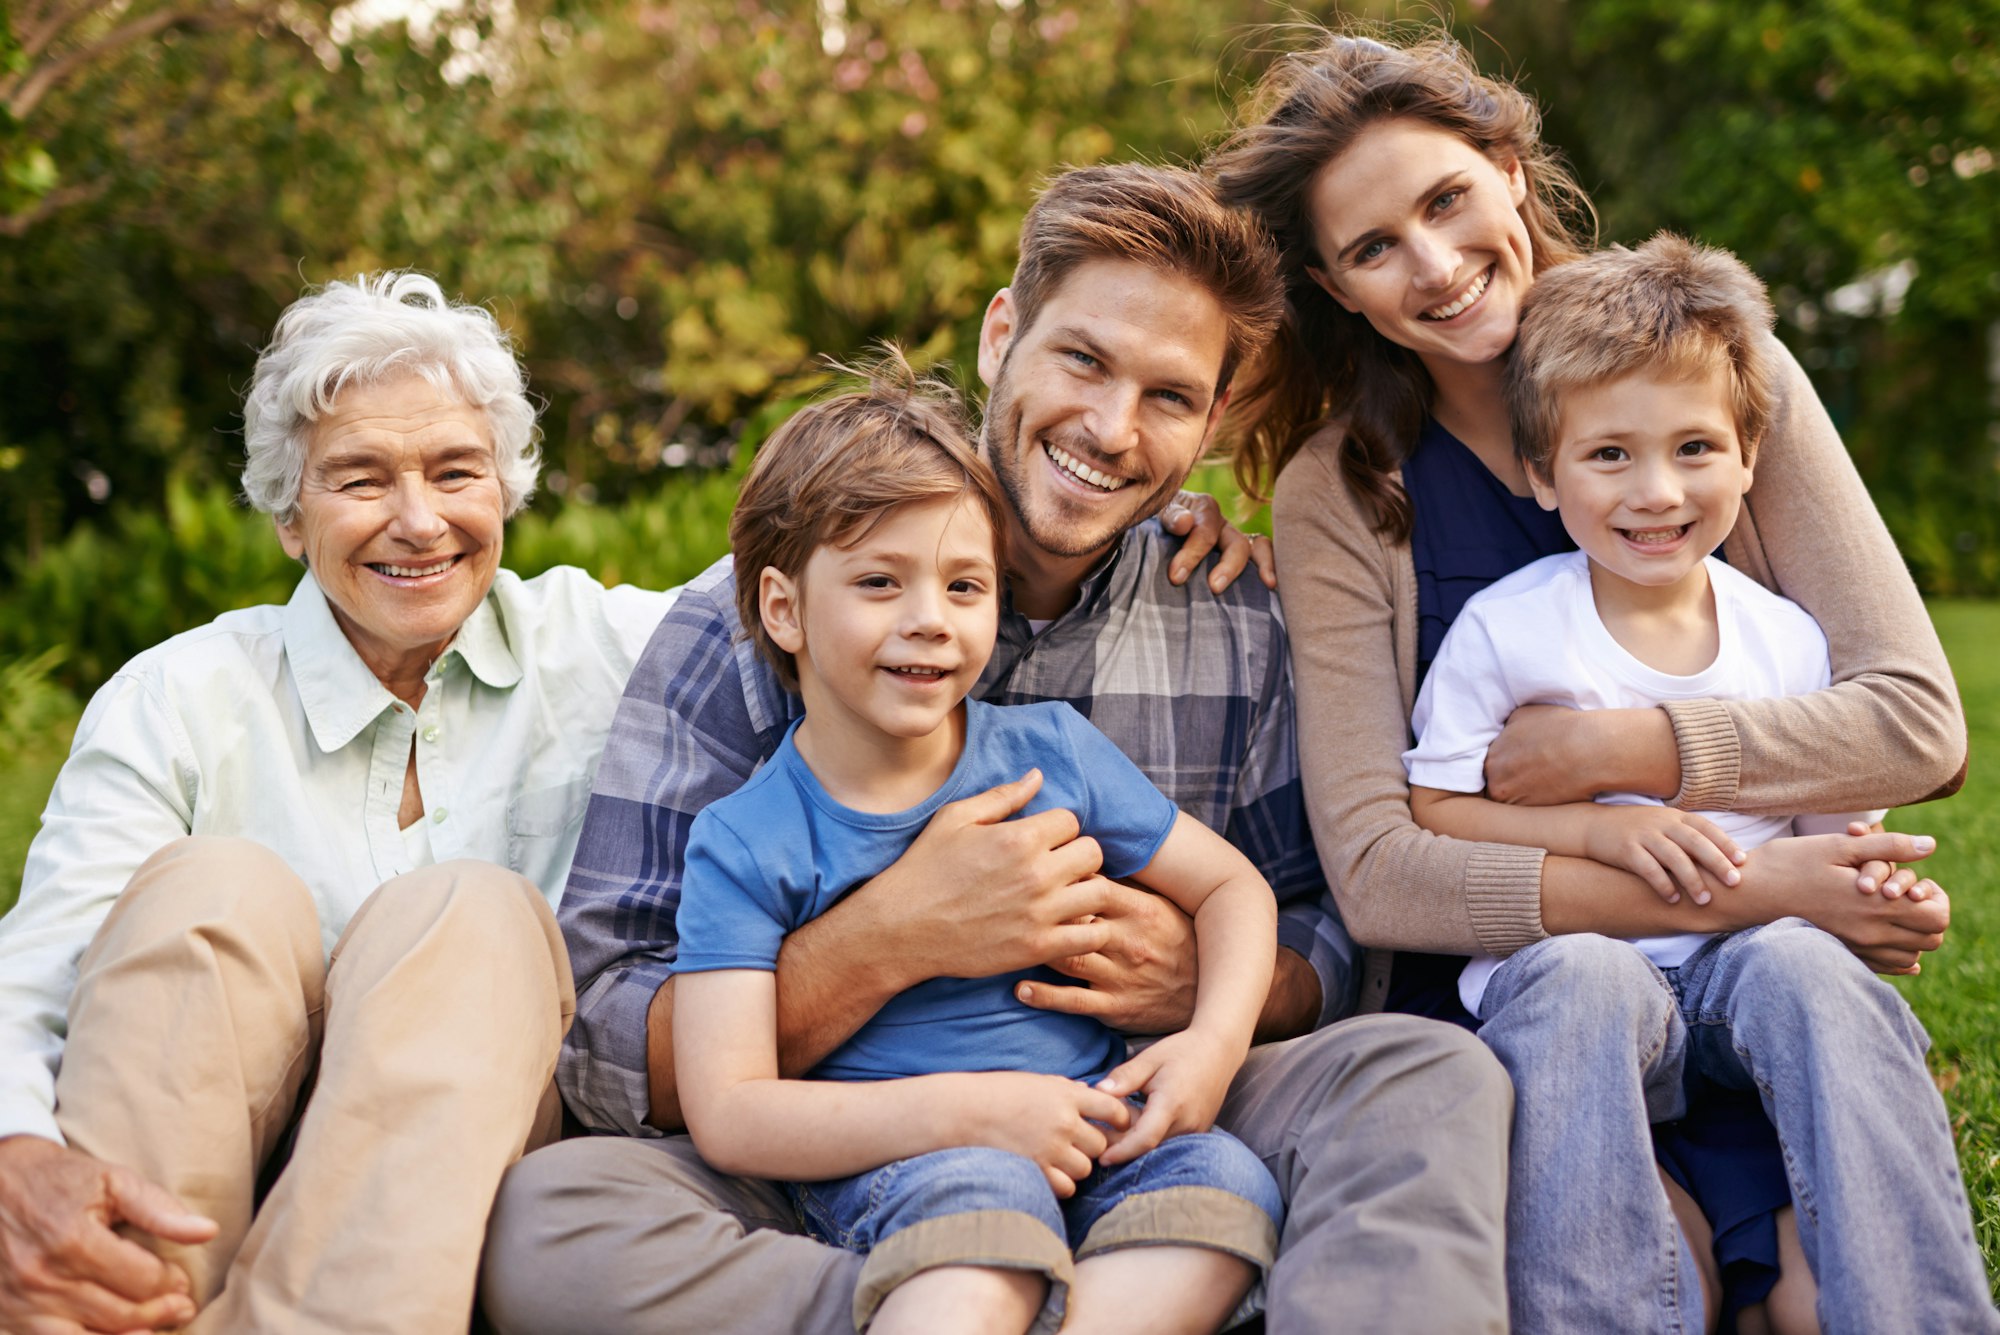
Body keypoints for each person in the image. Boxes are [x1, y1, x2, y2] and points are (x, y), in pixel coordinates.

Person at [481, 163, 1515, 1335]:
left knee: (1425, 1080)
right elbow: (612, 1030)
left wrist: (1198, 991)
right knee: (550, 1222)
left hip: (1144, 1105)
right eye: (1081, 360)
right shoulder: (744, 624)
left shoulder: (1236, 619)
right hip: (837, 1145)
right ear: (1001, 334)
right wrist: (891, 939)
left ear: (1213, 421)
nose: (1110, 428)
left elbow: (1322, 927)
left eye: (1167, 396)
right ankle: (959, 1296)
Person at [1209, 28, 1993, 1334]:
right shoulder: (1342, 491)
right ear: (1332, 286)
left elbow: (1915, 719)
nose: (1439, 265)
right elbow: (1383, 867)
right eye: (1375, 247)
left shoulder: (1711, 367)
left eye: (1449, 199)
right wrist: (1754, 877)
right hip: (1538, 1002)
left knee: (1810, 1304)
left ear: (1511, 169)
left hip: (1754, 974)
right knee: (1660, 1283)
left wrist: (1630, 749)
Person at [0, 272, 681, 1333]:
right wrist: (12, 1151)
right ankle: (111, 1311)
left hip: (473, 1190)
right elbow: (34, 980)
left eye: (455, 471)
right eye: (360, 480)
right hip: (187, 1171)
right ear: (287, 514)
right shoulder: (179, 696)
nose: (418, 522)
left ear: (504, 488)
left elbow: (840, 561)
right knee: (209, 891)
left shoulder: (615, 650)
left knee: (475, 917)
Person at [1408, 233, 1978, 1332]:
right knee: (1578, 981)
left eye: (1692, 448)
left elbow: (1830, 828)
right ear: (1541, 473)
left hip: (1742, 971)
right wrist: (1595, 832)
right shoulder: (1507, 630)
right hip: (1572, 971)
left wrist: (1881, 893)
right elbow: (1433, 809)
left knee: (1807, 970)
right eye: (1607, 456)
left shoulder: (1783, 639)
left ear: (1750, 452)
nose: (1655, 491)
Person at [674, 361, 1283, 1334]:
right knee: (980, 1228)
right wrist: (971, 1113)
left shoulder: (1049, 754)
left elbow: (1232, 891)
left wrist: (1209, 1047)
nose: (929, 619)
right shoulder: (746, 839)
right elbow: (732, 1109)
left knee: (1218, 1193)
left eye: (964, 586)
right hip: (906, 1160)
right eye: (879, 582)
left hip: (1095, 1123)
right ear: (783, 610)